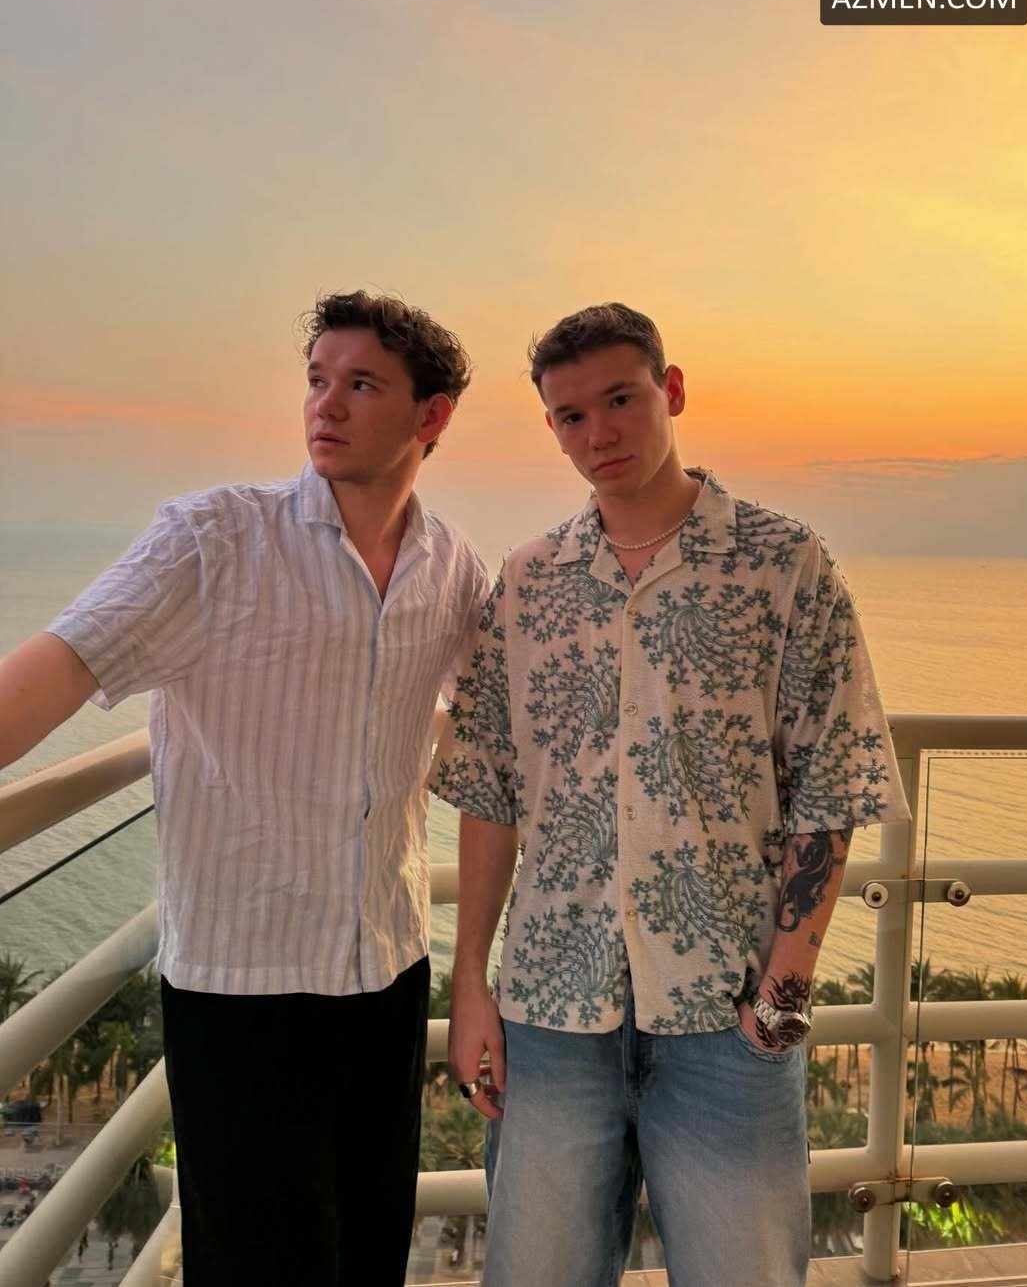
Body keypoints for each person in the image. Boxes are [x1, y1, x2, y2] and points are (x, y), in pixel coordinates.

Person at [0, 290, 489, 1286]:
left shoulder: (450, 567)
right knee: (256, 1267)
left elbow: (494, 732)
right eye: (316, 379)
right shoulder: (212, 540)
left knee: (369, 1252)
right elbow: (50, 675)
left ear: (430, 415)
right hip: (241, 988)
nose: (325, 405)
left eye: (362, 385)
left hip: (388, 971)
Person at [431, 303, 911, 1286]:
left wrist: (779, 1003)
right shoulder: (526, 585)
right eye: (570, 416)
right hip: (549, 1013)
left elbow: (831, 786)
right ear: (551, 427)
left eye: (620, 400)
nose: (597, 434)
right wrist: (471, 982)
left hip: (725, 1016)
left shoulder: (784, 566)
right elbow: (490, 792)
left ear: (673, 390)